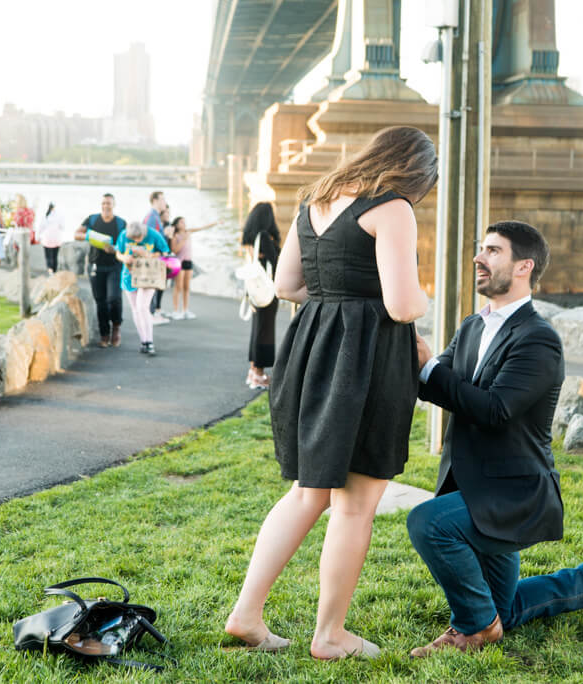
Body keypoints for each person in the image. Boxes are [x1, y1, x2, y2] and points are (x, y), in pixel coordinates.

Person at [224, 126, 436, 660]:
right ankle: (331, 635)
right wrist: (424, 306)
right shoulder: (394, 208)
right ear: (416, 171)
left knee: (306, 492)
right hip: (366, 359)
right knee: (355, 505)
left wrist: (335, 297)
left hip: (310, 350)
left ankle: (247, 613)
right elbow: (403, 305)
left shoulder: (315, 199)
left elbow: (287, 286)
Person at [405, 221, 583, 659]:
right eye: (481, 249)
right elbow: (435, 383)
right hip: (473, 486)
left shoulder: (538, 340)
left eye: (492, 251)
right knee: (503, 609)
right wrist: (409, 357)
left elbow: (495, 410)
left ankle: (473, 628)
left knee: (427, 522)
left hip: (514, 494)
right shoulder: (473, 326)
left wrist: (431, 368)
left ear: (524, 266)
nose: (478, 258)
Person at [74, 193, 127, 347]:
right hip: (96, 265)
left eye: (109, 203)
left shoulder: (121, 223)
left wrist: (115, 249)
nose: (106, 206)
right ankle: (104, 334)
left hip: (115, 266)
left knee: (114, 298)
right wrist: (91, 237)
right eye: (103, 203)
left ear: (113, 205)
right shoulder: (92, 219)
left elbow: (127, 244)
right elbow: (76, 234)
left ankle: (116, 327)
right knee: (101, 302)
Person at [239, 204, 281, 387]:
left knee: (257, 329)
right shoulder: (264, 237)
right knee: (265, 330)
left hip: (254, 289)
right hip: (265, 290)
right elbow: (275, 261)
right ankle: (258, 374)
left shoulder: (250, 237)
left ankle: (253, 372)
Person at [114, 220, 170, 356]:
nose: (136, 241)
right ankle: (143, 341)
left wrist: (148, 254)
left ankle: (150, 342)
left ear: (144, 233)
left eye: (138, 238)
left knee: (142, 306)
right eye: (132, 239)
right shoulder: (123, 235)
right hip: (129, 276)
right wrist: (124, 258)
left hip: (148, 276)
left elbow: (165, 253)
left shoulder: (153, 235)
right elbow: (118, 253)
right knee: (135, 309)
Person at [169, 215, 217, 321]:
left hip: (188, 262)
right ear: (176, 224)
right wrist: (183, 240)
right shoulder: (175, 236)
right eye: (181, 222)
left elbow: (202, 228)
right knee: (178, 287)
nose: (184, 224)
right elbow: (175, 250)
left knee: (186, 287)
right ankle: (176, 310)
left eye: (184, 222)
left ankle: (185, 310)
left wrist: (215, 223)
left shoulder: (188, 232)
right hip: (179, 262)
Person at [143, 192, 169, 325]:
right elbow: (147, 239)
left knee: (153, 288)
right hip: (152, 259)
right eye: (162, 199)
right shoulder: (152, 217)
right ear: (155, 200)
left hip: (156, 258)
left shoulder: (155, 217)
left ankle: (152, 314)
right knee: (150, 289)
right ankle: (150, 316)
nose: (165, 202)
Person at [36, 203, 65, 274]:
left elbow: (40, 228)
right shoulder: (59, 216)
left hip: (47, 240)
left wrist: (37, 237)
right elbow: (62, 227)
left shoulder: (45, 216)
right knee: (55, 257)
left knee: (48, 256)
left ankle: (50, 270)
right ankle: (54, 271)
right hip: (56, 240)